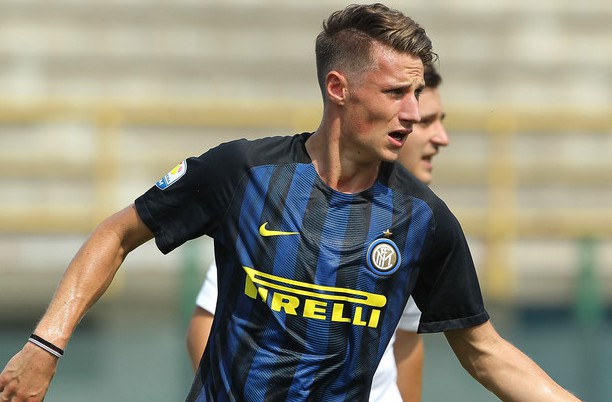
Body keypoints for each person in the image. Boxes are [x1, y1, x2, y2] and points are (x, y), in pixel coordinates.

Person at [0, 3, 580, 402]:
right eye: (395, 93)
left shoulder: (424, 219)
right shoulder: (243, 174)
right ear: (338, 88)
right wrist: (45, 344)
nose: (411, 113)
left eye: (417, 94)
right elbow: (118, 233)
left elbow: (485, 352)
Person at [185, 63, 448, 402]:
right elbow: (205, 323)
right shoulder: (285, 207)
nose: (441, 137)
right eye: (427, 122)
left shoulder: (418, 225)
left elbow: (407, 342)